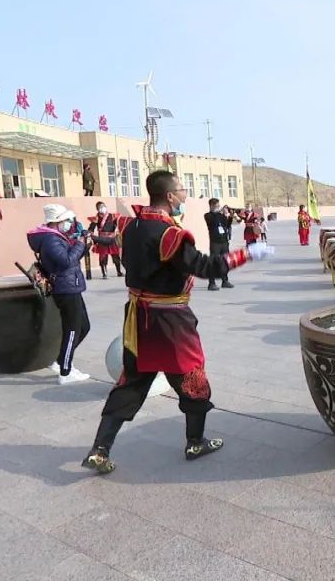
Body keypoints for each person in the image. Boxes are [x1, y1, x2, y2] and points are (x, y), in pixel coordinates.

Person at [81, 170, 272, 474]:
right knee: (193, 381)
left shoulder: (131, 226)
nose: (185, 196)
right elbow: (206, 267)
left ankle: (99, 449)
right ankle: (195, 441)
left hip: (138, 318)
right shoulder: (171, 234)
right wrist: (246, 254)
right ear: (169, 196)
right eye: (182, 190)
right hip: (170, 322)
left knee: (131, 382)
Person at [27, 204, 91, 385]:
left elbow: (70, 257)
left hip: (71, 285)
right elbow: (66, 261)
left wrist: (83, 245)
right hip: (65, 289)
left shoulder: (55, 237)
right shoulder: (50, 239)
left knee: (84, 326)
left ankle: (60, 360)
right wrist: (79, 244)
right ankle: (65, 371)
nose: (70, 223)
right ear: (57, 221)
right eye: (67, 220)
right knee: (73, 329)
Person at [204, 198, 236, 290]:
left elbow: (227, 225)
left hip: (224, 242)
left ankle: (225, 281)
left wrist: (230, 217)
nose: (218, 207)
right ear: (211, 206)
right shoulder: (208, 215)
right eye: (216, 206)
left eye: (218, 205)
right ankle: (211, 283)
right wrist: (219, 213)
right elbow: (213, 223)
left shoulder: (221, 216)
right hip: (215, 242)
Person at [88, 201, 124, 279]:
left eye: (103, 206)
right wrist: (90, 234)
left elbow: (119, 223)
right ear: (97, 209)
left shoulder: (112, 216)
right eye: (100, 207)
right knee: (103, 257)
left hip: (112, 238)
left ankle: (119, 271)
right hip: (102, 240)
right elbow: (91, 228)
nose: (102, 208)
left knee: (116, 256)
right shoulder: (96, 218)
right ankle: (104, 273)